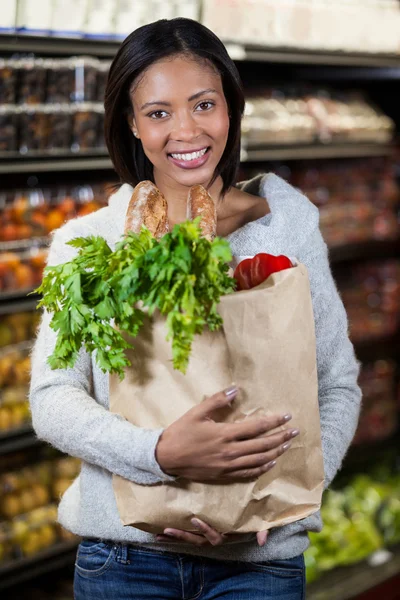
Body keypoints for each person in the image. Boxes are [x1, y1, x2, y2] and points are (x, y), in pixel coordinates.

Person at [29, 17, 361, 600]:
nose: (186, 131)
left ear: (231, 111)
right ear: (132, 124)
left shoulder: (285, 228)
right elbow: (52, 397)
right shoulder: (91, 243)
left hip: (260, 564)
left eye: (204, 104)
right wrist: (157, 454)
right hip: (126, 559)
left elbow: (337, 386)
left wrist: (281, 497)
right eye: (158, 112)